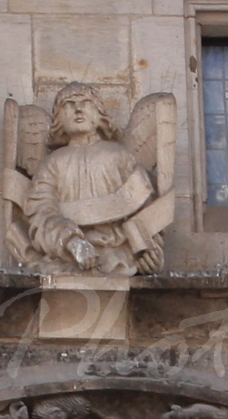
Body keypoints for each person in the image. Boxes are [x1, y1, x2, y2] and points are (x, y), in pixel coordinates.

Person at [19, 83, 165, 276]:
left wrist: (150, 251)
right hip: (66, 259)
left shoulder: (120, 156)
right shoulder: (52, 163)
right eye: (69, 104)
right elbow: (41, 211)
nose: (78, 109)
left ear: (99, 115)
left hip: (119, 256)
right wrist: (71, 241)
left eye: (86, 103)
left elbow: (146, 209)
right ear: (58, 118)